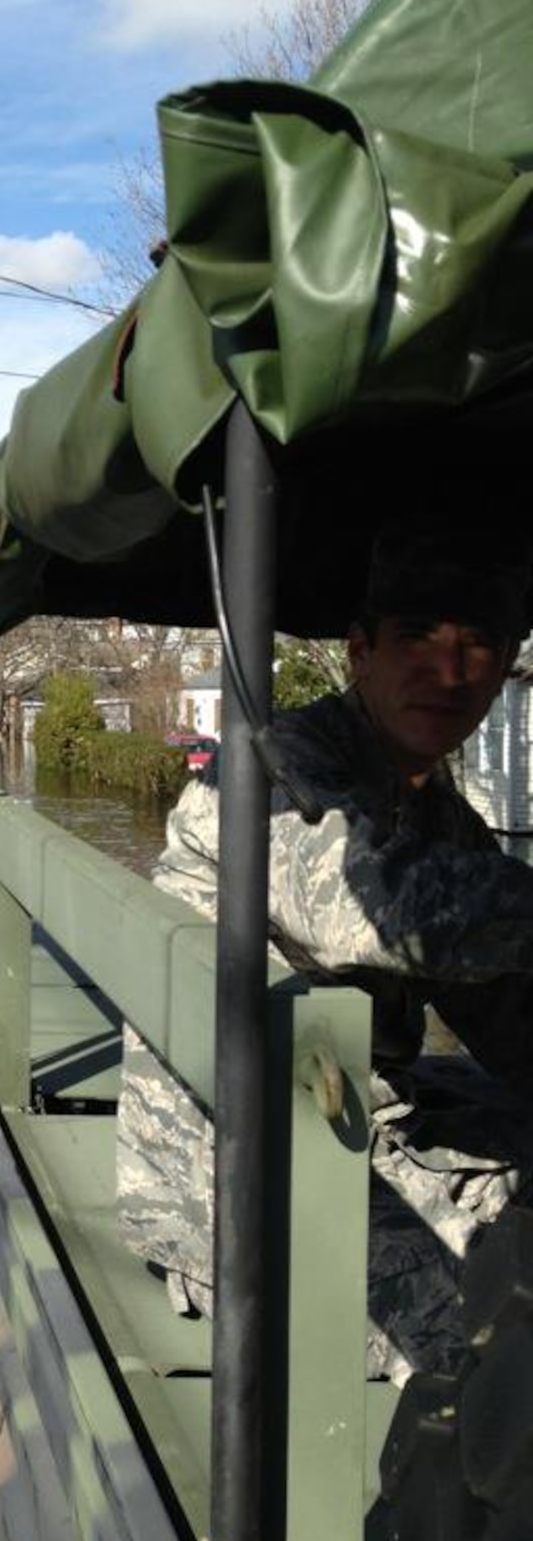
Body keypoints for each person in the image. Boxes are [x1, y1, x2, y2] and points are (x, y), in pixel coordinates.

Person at [116, 519, 533, 1381]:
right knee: (503, 1329)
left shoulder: (429, 802)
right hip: (238, 1181)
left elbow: (503, 1006)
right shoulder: (279, 772)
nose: (448, 670)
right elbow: (380, 909)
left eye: (478, 645)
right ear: (357, 653)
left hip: (343, 1126)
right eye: (417, 637)